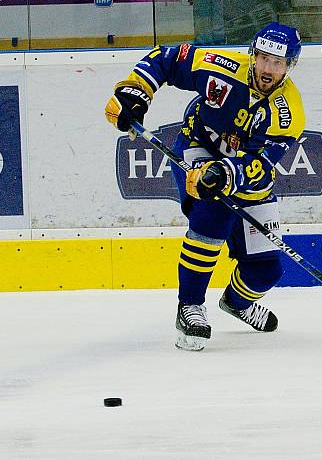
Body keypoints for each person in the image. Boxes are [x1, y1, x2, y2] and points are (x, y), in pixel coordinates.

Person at [104, 22, 304, 351]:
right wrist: (134, 93)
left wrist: (225, 174)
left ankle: (237, 304)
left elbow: (259, 167)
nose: (268, 69)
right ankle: (190, 306)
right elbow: (165, 59)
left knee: (266, 270)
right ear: (252, 54)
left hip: (244, 172)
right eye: (264, 58)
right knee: (212, 213)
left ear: (290, 66)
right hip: (198, 148)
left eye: (278, 63)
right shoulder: (221, 67)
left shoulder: (288, 112)